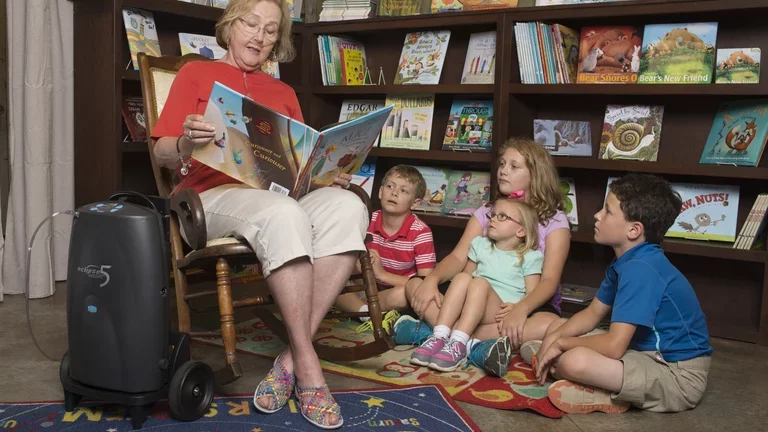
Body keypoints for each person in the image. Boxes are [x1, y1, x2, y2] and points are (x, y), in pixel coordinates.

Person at [150, 0, 363, 428]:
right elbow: (161, 152)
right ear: (230, 26)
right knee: (283, 212)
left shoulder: (282, 93)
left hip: (275, 196)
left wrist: (324, 173)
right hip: (210, 198)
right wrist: (188, 142)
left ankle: (290, 359)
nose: (259, 36)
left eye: (270, 30)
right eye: (251, 24)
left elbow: (297, 166)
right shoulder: (196, 74)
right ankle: (310, 368)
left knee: (348, 206)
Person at [533, 174, 713, 414]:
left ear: (634, 230)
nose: (597, 215)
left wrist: (561, 346)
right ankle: (588, 381)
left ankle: (605, 394)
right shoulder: (626, 261)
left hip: (677, 375)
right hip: (643, 353)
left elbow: (614, 346)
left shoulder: (642, 269)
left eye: (607, 211)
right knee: (553, 331)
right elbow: (592, 314)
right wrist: (554, 339)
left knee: (572, 360)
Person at [394, 137, 571, 376]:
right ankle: (469, 342)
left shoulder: (554, 220)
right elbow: (458, 258)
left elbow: (549, 280)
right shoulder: (488, 212)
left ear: (536, 174)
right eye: (501, 164)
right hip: (474, 295)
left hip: (524, 305)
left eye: (514, 166)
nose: (503, 171)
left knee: (551, 325)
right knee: (415, 284)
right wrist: (432, 281)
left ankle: (441, 334)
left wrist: (521, 309)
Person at [409, 198, 544, 375]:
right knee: (462, 277)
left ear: (521, 231)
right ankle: (439, 336)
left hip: (498, 311)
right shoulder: (480, 244)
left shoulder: (530, 256)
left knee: (479, 283)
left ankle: (459, 341)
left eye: (502, 217)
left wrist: (518, 308)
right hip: (472, 305)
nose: (493, 219)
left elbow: (532, 293)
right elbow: (466, 278)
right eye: (493, 215)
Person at [335, 165, 436, 330]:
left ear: (415, 203)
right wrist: (357, 267)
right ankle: (366, 312)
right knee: (334, 278)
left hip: (395, 291)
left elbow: (426, 282)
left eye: (404, 191)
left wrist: (382, 274)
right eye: (390, 186)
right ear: (381, 192)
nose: (394, 193)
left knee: (405, 294)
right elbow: (347, 262)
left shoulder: (421, 232)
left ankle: (358, 309)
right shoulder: (367, 219)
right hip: (366, 287)